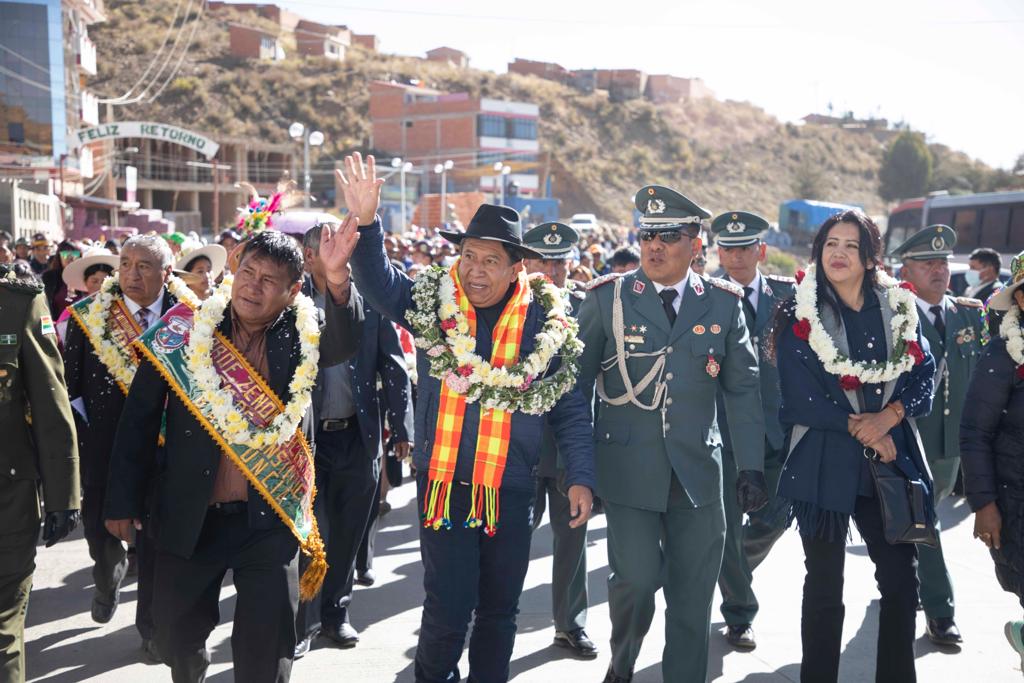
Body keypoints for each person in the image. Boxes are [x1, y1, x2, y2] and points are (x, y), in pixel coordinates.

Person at [342, 152, 595, 683]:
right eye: (468, 257)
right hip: (445, 484)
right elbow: (380, 284)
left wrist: (580, 477)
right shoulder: (435, 300)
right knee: (448, 609)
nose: (475, 272)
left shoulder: (547, 321)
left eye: (489, 261)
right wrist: (368, 224)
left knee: (500, 612)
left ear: (516, 266)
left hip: (511, 488)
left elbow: (569, 407)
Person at [104, 227, 363, 682]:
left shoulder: (303, 334)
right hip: (190, 514)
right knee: (174, 638)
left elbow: (345, 339)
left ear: (293, 291)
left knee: (266, 648)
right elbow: (138, 422)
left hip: (266, 519)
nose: (253, 286)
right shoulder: (184, 330)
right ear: (233, 272)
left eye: (268, 279)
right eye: (247, 272)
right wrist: (121, 502)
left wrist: (338, 278)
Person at [578, 186, 767, 683]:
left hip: (698, 476)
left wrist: (750, 465)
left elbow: (743, 390)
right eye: (647, 234)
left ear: (696, 243)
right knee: (636, 584)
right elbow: (574, 393)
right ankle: (622, 665)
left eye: (668, 235)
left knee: (693, 596)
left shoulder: (723, 304)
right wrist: (577, 471)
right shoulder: (608, 299)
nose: (654, 245)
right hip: (628, 472)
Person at [771, 209, 936, 683]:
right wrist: (861, 427)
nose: (838, 254)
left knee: (902, 584)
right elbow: (799, 398)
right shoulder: (799, 310)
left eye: (850, 245)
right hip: (824, 464)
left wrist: (889, 417)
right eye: (830, 244)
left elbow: (924, 372)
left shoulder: (898, 307)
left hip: (890, 462)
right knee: (825, 590)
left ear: (869, 257)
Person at [294, 222, 413, 656]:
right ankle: (304, 621)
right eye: (328, 250)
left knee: (347, 533)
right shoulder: (293, 300)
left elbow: (393, 365)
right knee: (312, 533)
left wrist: (401, 429)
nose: (339, 258)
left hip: (360, 438)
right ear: (310, 258)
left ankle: (336, 614)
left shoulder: (371, 301)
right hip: (308, 442)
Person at [64, 235, 182, 656]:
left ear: (166, 273)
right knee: (100, 531)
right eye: (126, 264)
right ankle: (107, 574)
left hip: (166, 451)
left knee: (155, 545)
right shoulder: (89, 318)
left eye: (144, 266)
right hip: (106, 450)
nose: (132, 274)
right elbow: (70, 391)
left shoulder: (190, 318)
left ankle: (150, 628)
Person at [891, 224, 986, 647]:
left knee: (921, 526)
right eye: (927, 262)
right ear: (905, 269)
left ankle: (903, 582)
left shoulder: (970, 313)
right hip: (911, 441)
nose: (939, 270)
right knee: (925, 522)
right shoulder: (892, 316)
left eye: (943, 262)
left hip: (956, 447)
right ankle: (940, 611)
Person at [709, 211, 795, 650]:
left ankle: (723, 569)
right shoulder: (703, 296)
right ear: (716, 251)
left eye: (745, 248)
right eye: (727, 248)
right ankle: (740, 613)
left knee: (777, 516)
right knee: (725, 522)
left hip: (777, 432)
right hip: (721, 433)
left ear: (761, 251)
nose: (736, 257)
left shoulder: (791, 297)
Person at [0, 265, 81, 683]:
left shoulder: (16, 304)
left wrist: (63, 495)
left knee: (3, 634)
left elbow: (51, 405)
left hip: (6, 500)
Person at [522, 222, 597, 658]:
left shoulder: (589, 308)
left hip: (570, 445)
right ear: (525, 262)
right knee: (509, 538)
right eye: (541, 260)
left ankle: (570, 623)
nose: (551, 269)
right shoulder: (508, 308)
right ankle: (492, 612)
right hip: (519, 445)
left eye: (559, 261)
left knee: (572, 538)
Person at [959, 249, 1024, 667]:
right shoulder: (1002, 356)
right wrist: (984, 504)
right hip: (1017, 503)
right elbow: (974, 434)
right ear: (1019, 299)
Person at [56, 247, 119, 344]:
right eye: (94, 281)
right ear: (85, 282)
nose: (100, 286)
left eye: (105, 281)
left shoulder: (122, 308)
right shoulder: (73, 312)